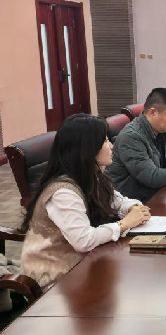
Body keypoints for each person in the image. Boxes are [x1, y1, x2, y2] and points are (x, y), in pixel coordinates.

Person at [20, 114, 152, 287]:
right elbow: (83, 240)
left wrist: (133, 208)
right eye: (105, 141)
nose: (111, 146)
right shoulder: (63, 192)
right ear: (88, 148)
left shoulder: (90, 175)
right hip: (56, 276)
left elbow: (117, 200)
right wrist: (124, 224)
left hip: (85, 262)